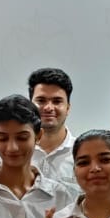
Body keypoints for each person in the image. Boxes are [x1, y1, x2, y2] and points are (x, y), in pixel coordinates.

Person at [28, 67, 81, 198]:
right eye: (41, 101)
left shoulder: (82, 154)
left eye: (57, 101)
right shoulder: (11, 154)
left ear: (68, 108)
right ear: (29, 106)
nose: (48, 107)